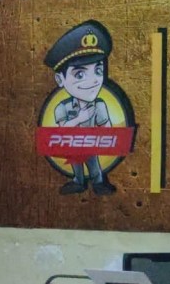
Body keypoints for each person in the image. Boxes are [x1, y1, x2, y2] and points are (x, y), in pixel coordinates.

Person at [43, 20, 117, 195]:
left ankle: (98, 183)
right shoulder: (62, 107)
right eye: (80, 74)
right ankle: (78, 181)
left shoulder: (99, 105)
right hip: (73, 145)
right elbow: (62, 131)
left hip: (90, 144)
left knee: (93, 163)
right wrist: (79, 119)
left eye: (98, 71)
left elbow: (107, 129)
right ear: (60, 80)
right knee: (76, 163)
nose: (93, 81)